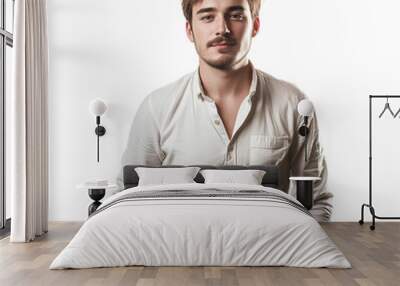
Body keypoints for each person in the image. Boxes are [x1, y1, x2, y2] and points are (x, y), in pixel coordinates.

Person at [118, 0, 332, 221]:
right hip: (182, 251)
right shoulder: (157, 108)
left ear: (255, 25)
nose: (222, 29)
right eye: (207, 17)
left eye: (236, 15)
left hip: (269, 251)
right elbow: (128, 196)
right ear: (189, 30)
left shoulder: (293, 104)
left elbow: (316, 203)